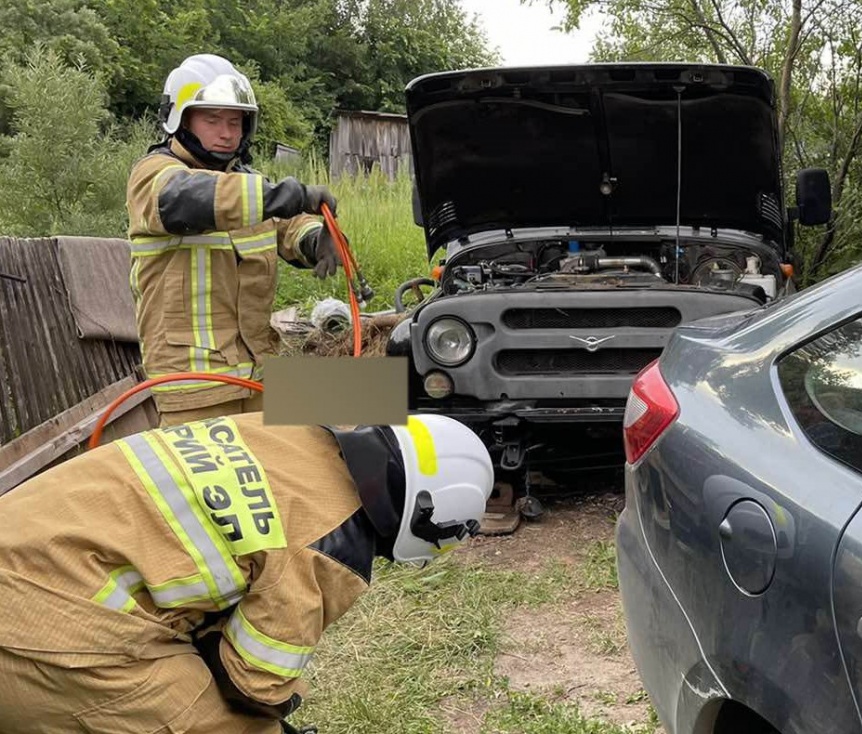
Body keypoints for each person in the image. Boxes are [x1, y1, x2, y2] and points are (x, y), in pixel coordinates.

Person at [0, 411, 493, 733]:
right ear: (427, 518)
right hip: (47, 621)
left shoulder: (285, 427)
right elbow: (251, 684)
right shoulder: (333, 546)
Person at [126, 53, 342, 428]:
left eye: (235, 121)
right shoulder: (154, 176)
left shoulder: (248, 186)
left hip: (260, 375)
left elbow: (286, 226)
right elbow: (197, 197)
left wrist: (314, 238)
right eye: (212, 120)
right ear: (180, 120)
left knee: (382, 400)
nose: (227, 133)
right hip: (196, 388)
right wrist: (289, 194)